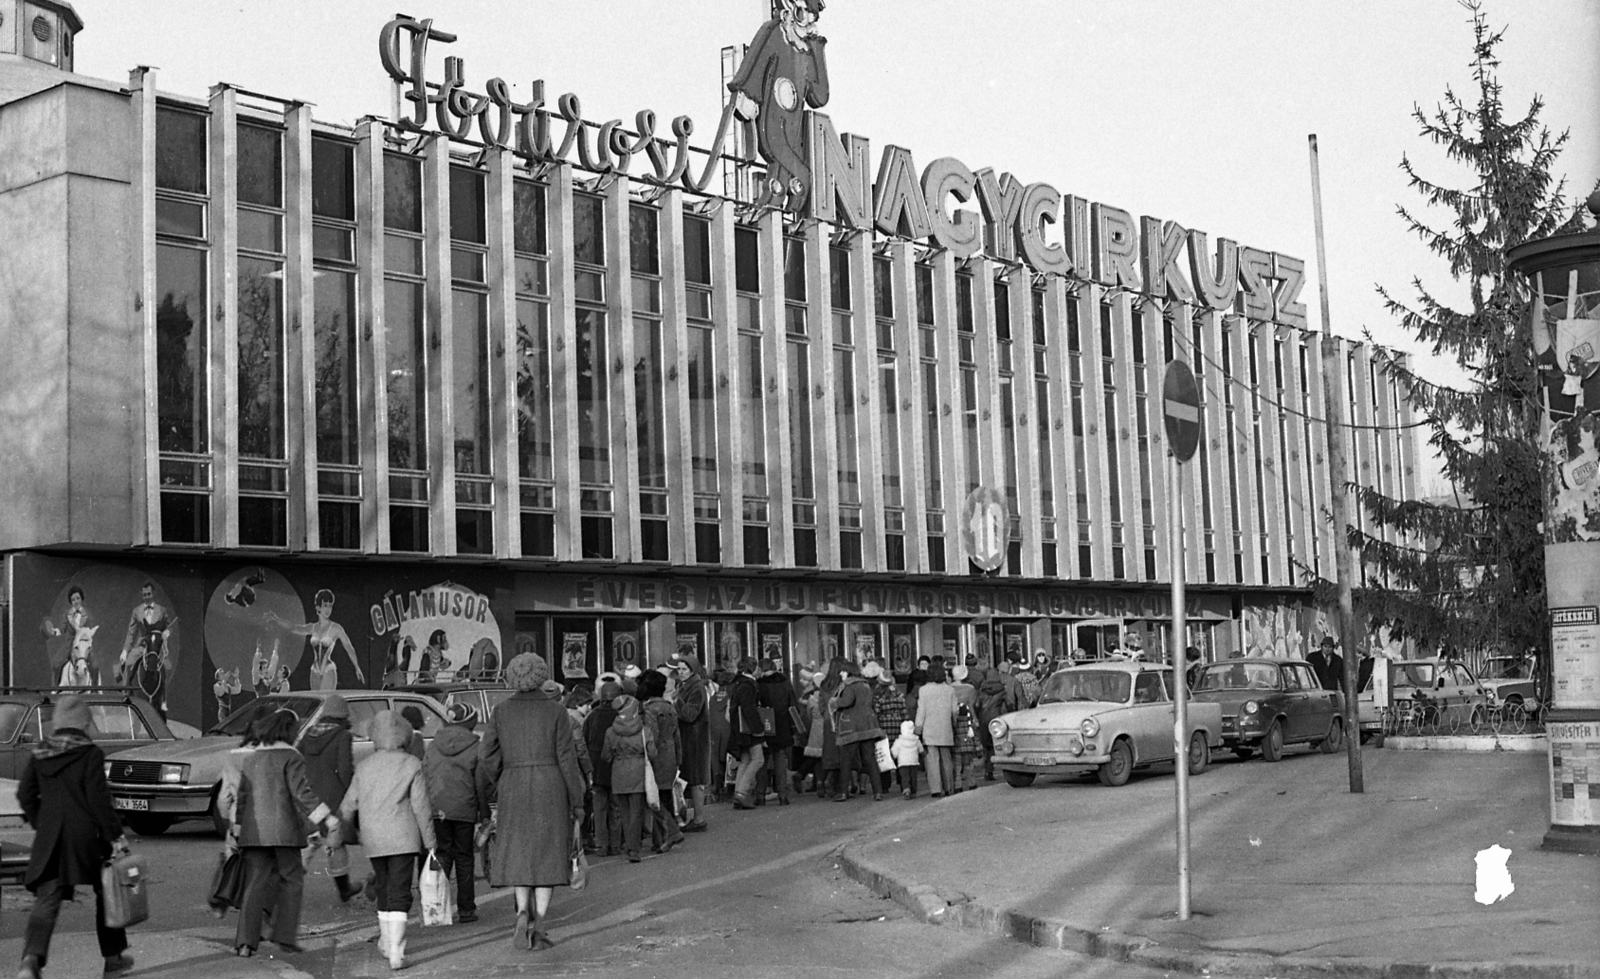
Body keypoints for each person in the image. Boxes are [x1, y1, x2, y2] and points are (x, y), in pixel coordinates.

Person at [16, 694, 134, 979]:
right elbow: (98, 800)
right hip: (87, 838)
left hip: (51, 838)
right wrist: (116, 835)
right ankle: (113, 959)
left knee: (47, 899)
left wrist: (41, 823)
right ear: (83, 723)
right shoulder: (90, 754)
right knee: (107, 893)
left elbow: (25, 795)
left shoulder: (40, 753)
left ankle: (31, 961)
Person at [478, 653, 586, 952]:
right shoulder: (556, 711)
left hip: (513, 785)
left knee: (520, 851)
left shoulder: (500, 711)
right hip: (550, 786)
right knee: (548, 854)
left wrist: (504, 776)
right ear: (541, 675)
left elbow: (486, 756)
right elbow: (567, 758)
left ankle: (521, 909)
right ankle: (540, 925)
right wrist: (577, 801)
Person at [220, 709, 339, 959]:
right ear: (290, 731)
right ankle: (285, 937)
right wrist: (325, 817)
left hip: (254, 832)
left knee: (254, 884)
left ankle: (245, 943)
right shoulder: (291, 757)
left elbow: (243, 796)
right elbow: (301, 793)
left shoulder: (251, 758)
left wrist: (238, 828)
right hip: (285, 831)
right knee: (291, 880)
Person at [338, 710, 434, 970]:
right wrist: (430, 841)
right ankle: (396, 951)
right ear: (403, 735)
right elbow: (422, 808)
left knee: (383, 887)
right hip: (404, 837)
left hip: (374, 838)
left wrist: (341, 828)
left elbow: (348, 805)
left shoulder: (365, 767)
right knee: (400, 889)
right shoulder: (412, 764)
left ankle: (386, 942)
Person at [425, 703, 488, 924]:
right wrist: (484, 812)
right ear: (470, 722)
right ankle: (466, 910)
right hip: (464, 808)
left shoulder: (433, 745)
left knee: (442, 855)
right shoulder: (476, 746)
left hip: (437, 808)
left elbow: (425, 775)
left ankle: (437, 910)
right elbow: (480, 783)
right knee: (464, 857)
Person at [298, 694, 358, 902]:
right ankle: (344, 889)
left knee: (308, 842)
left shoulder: (307, 736)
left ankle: (286, 887)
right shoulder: (343, 736)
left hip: (309, 798)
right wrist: (352, 794)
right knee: (335, 844)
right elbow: (345, 770)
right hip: (333, 798)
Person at [268, 590, 365, 691]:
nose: (328, 609)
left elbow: (348, 647)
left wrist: (357, 667)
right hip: (314, 669)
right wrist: (276, 619)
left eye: (330, 606)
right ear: (318, 607)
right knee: (316, 700)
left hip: (328, 668)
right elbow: (294, 627)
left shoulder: (336, 628)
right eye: (325, 605)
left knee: (326, 700)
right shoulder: (312, 627)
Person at [600, 694, 653, 863]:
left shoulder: (610, 732)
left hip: (619, 773)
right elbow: (653, 753)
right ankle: (633, 848)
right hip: (638, 772)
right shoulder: (645, 731)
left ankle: (629, 844)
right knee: (637, 812)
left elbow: (606, 756)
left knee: (624, 811)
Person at [637, 671, 685, 853]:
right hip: (670, 755)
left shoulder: (649, 710)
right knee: (664, 796)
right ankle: (661, 839)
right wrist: (679, 758)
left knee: (654, 799)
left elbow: (651, 737)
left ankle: (670, 833)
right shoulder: (670, 708)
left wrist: (648, 757)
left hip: (657, 757)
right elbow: (677, 736)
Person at [828, 661, 884, 802]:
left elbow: (847, 701)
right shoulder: (865, 684)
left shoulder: (849, 685)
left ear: (848, 672)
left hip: (852, 726)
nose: (841, 674)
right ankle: (878, 792)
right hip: (868, 724)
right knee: (870, 759)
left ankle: (843, 792)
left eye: (843, 671)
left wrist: (834, 701)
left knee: (846, 760)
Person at [670, 653, 711, 832]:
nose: (681, 672)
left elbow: (690, 714)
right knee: (688, 777)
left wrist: (676, 701)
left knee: (695, 778)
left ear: (692, 670)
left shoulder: (697, 688)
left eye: (684, 669)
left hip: (694, 739)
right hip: (687, 738)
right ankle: (690, 816)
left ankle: (699, 818)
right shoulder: (685, 685)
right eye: (678, 669)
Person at [583, 681, 623, 856]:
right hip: (616, 766)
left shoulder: (592, 716)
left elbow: (584, 741)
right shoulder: (620, 715)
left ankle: (601, 845)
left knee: (599, 808)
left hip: (597, 767)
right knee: (616, 807)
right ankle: (615, 844)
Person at [756, 659, 799, 805]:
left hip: (764, 725)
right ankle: (782, 795)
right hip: (783, 725)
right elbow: (793, 705)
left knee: (761, 761)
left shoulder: (759, 685)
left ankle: (760, 795)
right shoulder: (785, 683)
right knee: (780, 760)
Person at [727, 658, 767, 809]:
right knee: (758, 760)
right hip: (749, 729)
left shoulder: (736, 683)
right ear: (753, 668)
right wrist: (758, 728)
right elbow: (749, 708)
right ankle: (742, 793)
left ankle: (738, 793)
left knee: (745, 760)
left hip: (739, 729)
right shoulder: (748, 685)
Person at [914, 663, 957, 797]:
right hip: (945, 727)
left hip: (929, 729)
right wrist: (953, 724)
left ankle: (936, 789)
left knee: (932, 760)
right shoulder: (950, 690)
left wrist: (918, 729)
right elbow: (954, 711)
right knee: (947, 760)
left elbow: (921, 712)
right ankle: (949, 787)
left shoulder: (923, 690)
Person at [866, 662, 906, 795]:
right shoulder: (899, 696)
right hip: (898, 727)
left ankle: (885, 784)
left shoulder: (877, 697)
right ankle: (903, 783)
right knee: (900, 756)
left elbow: (876, 713)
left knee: (884, 756)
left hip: (883, 728)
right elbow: (904, 713)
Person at [890, 720, 924, 799]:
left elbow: (894, 751)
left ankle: (906, 790)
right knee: (913, 777)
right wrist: (923, 754)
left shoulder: (898, 741)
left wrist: (892, 757)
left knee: (905, 777)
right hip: (914, 762)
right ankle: (913, 791)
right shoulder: (916, 740)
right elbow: (921, 749)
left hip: (902, 763)